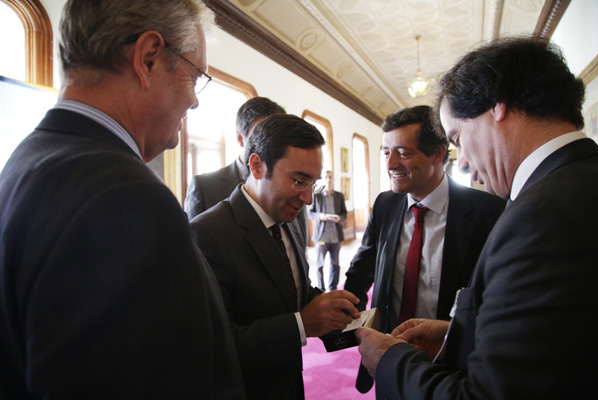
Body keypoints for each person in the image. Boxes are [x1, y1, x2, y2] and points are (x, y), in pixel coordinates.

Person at [0, 1, 245, 398]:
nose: (195, 100)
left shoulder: (28, 158)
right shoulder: (124, 195)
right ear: (148, 58)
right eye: (195, 75)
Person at [356, 36, 598, 399]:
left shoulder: (539, 216)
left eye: (457, 137)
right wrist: (458, 333)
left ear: (496, 109)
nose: (465, 163)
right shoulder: (581, 181)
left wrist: (390, 360)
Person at [190, 113, 360, 400]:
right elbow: (212, 344)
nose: (308, 198)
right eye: (299, 181)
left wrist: (330, 307)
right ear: (257, 166)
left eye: (313, 183)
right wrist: (301, 325)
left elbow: (291, 287)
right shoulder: (208, 233)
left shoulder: (290, 219)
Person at [344, 105, 505, 393]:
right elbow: (363, 266)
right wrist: (346, 314)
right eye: (386, 152)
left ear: (438, 154)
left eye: (403, 153)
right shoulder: (385, 204)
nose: (390, 163)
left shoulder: (487, 211)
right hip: (387, 353)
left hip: (450, 360)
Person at [184, 96, 285, 220]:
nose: (271, 144)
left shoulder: (291, 185)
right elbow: (193, 232)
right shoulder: (205, 187)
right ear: (240, 138)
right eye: (261, 137)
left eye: (278, 138)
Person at [309, 170, 348, 291]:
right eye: (326, 177)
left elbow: (344, 213)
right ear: (324, 179)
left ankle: (333, 289)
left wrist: (339, 218)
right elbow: (310, 213)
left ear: (333, 179)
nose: (328, 179)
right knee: (320, 265)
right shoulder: (317, 195)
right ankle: (321, 290)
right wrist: (320, 216)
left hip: (336, 237)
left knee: (335, 265)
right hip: (321, 237)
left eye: (330, 177)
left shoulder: (339, 196)